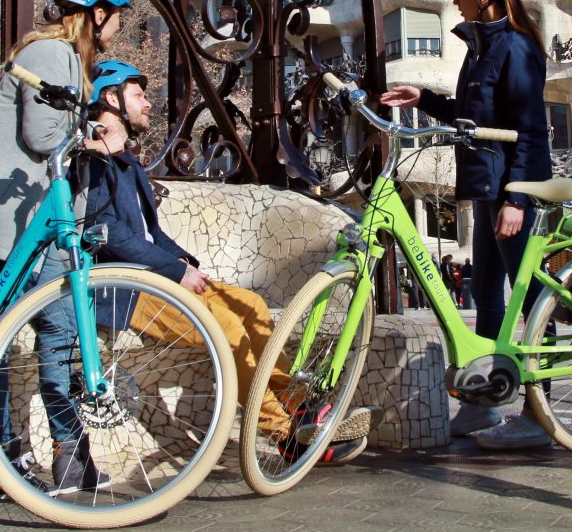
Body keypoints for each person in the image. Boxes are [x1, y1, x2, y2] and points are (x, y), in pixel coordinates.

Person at [80, 60, 372, 462]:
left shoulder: (126, 162)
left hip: (160, 277)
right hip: (128, 289)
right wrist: (175, 270)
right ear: (111, 99)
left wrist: (186, 264)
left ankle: (302, 408)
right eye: (138, 95)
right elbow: (109, 234)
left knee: (249, 306)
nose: (147, 103)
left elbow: (150, 234)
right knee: (229, 328)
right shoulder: (95, 162)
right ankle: (284, 434)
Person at [0, 0, 131, 499]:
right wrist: (95, 135)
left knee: (55, 333)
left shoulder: (60, 56)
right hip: (9, 218)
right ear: (97, 14)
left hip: (31, 219)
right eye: (115, 16)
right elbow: (44, 133)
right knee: (0, 342)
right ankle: (1, 459)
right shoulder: (56, 54)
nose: (117, 26)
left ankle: (65, 459)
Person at [379, 0, 551, 449]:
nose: (454, 1)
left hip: (509, 187)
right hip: (484, 185)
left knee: (530, 298)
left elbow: (529, 129)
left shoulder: (515, 48)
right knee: (489, 296)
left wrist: (517, 198)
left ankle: (539, 415)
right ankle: (484, 403)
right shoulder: (481, 48)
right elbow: (472, 115)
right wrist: (425, 99)